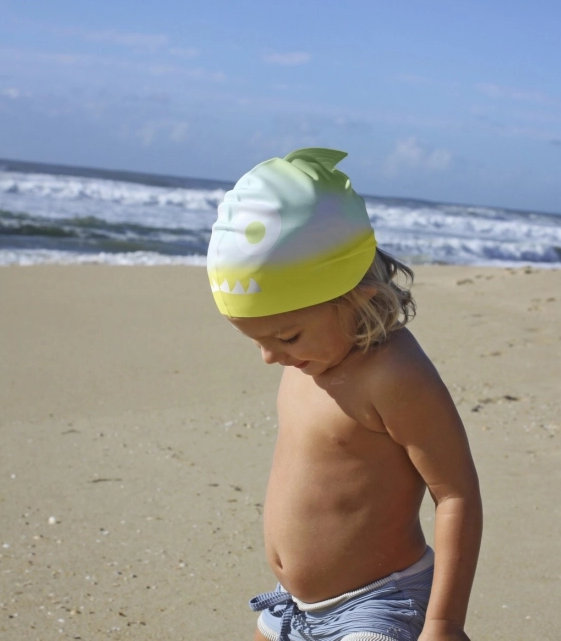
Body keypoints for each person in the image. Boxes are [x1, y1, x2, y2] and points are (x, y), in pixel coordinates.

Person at [206, 148, 482, 641]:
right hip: (290, 605)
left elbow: (456, 495)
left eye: (285, 337)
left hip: (379, 605)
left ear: (360, 301)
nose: (270, 357)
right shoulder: (311, 357)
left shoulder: (394, 375)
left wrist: (444, 622)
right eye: (257, 341)